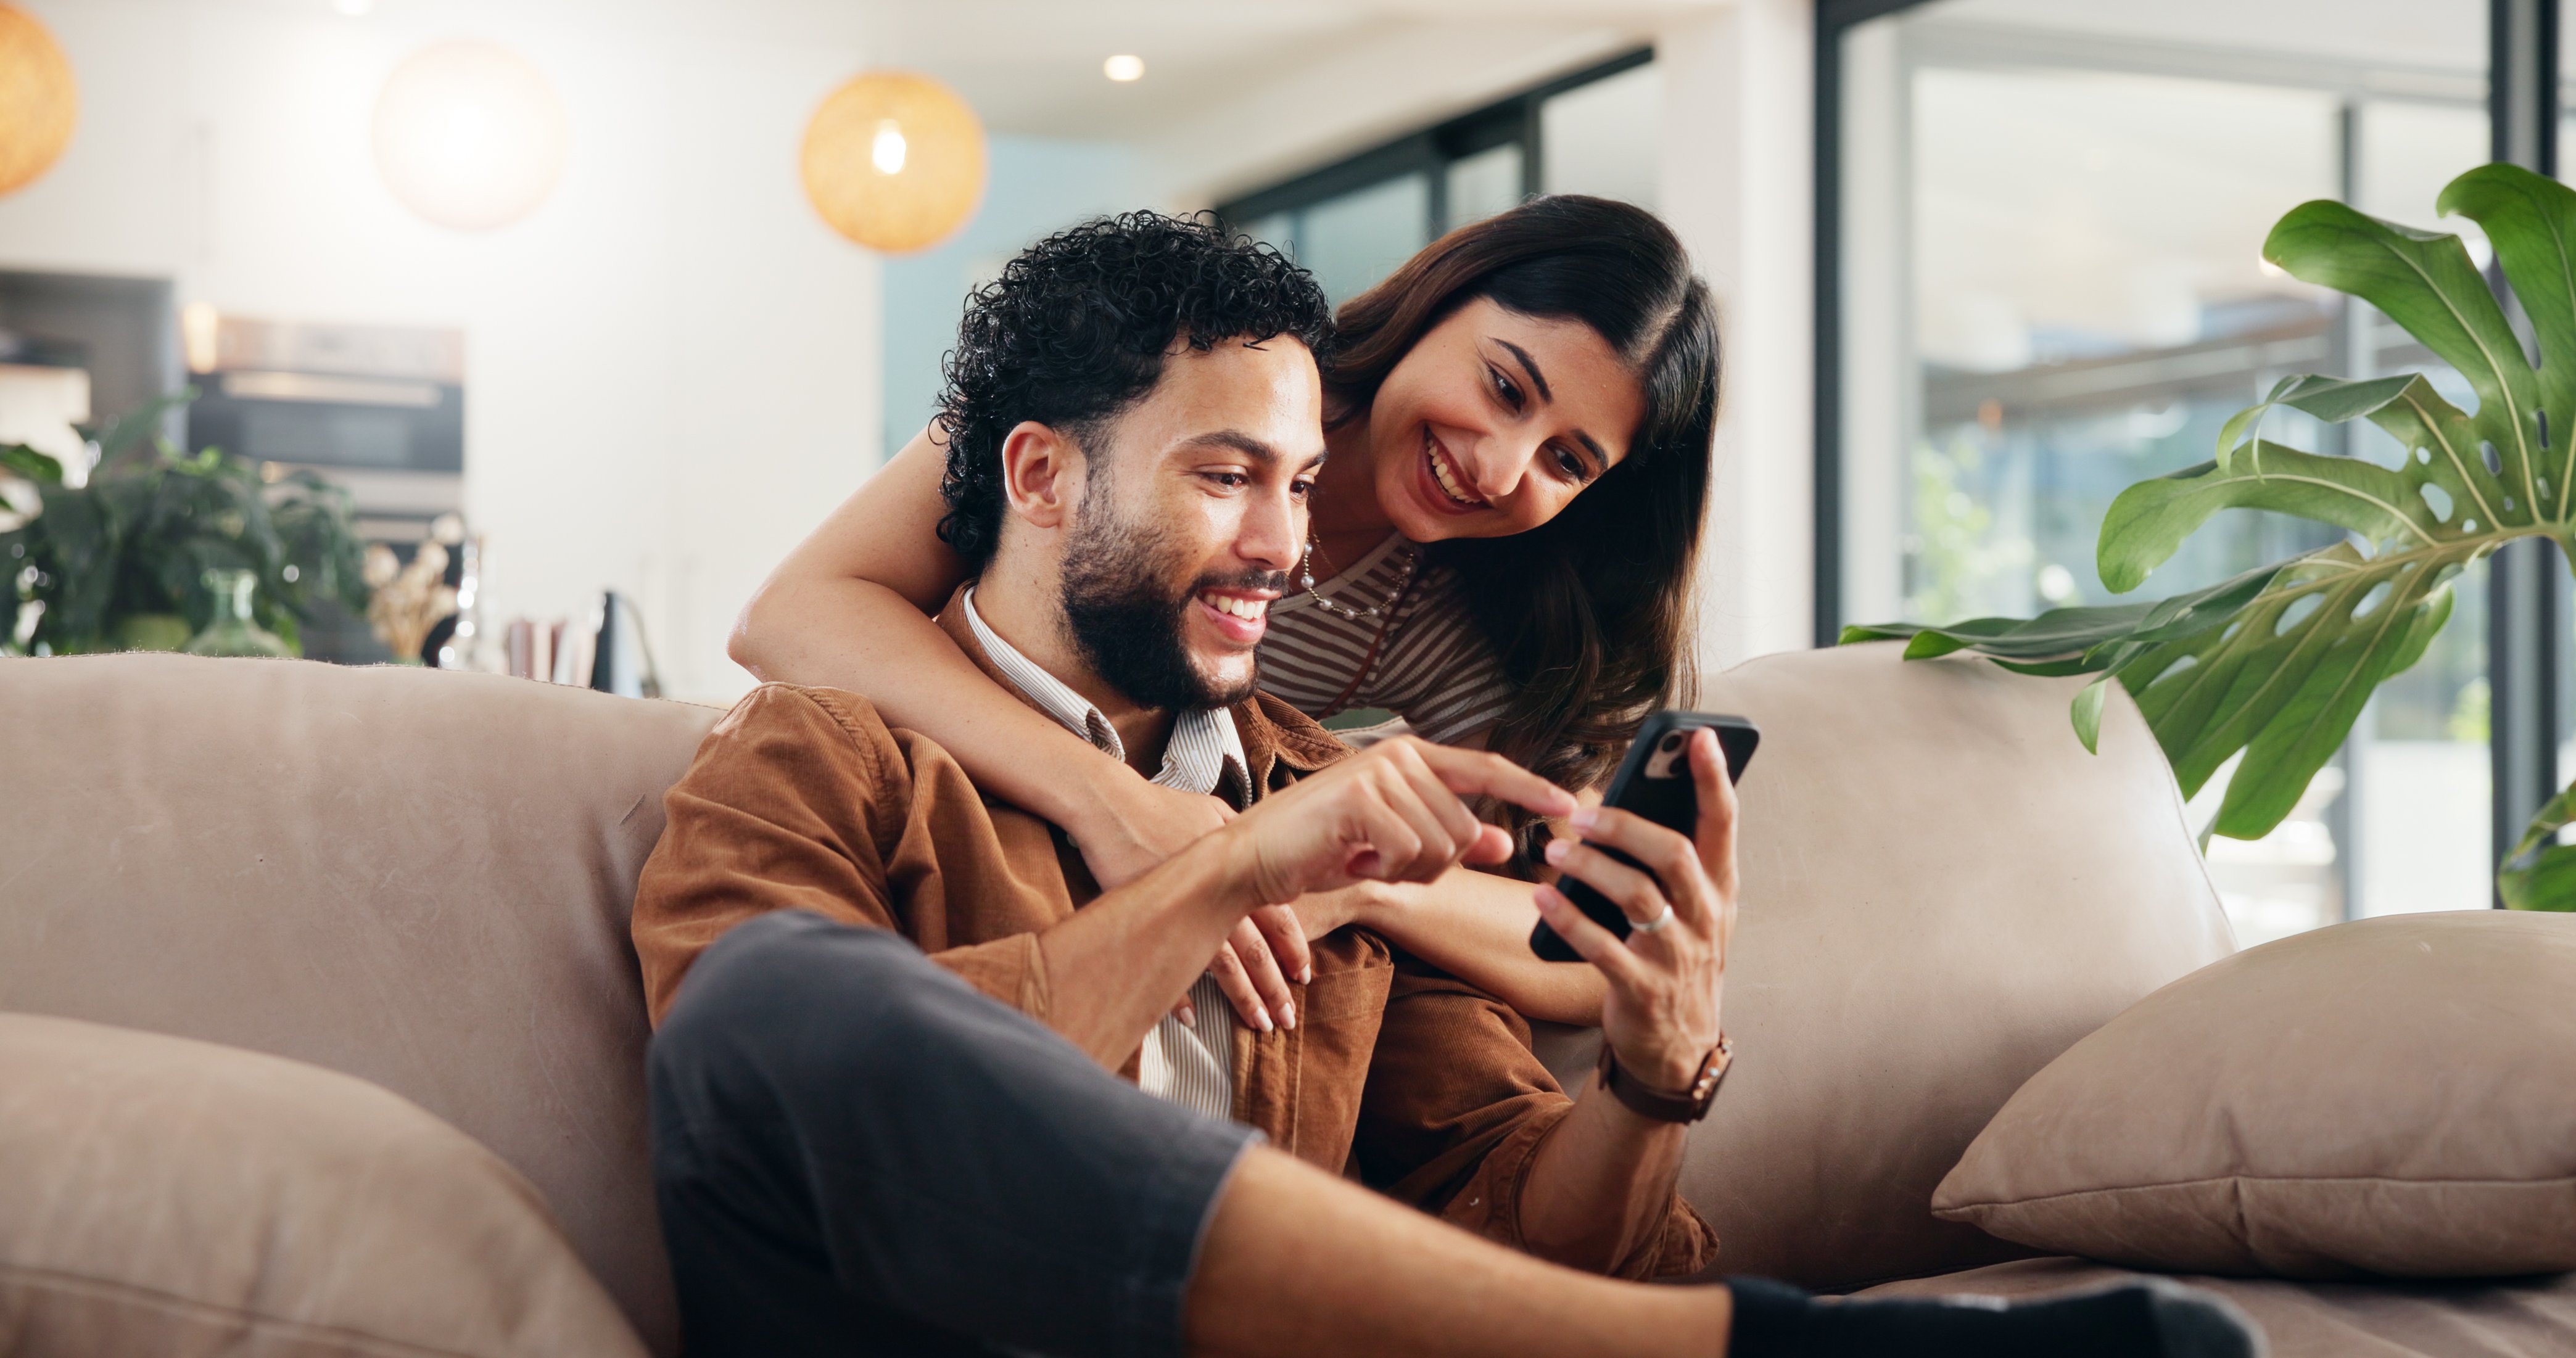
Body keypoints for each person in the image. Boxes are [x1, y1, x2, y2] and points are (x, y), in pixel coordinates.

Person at [634, 213, 2260, 1358]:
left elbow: (1509, 1212)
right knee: (767, 1000)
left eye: (1296, 488)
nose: (1286, 544)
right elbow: (761, 1114)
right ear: (1047, 476)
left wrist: (1652, 1065)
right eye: (1227, 479)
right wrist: (1206, 864)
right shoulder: (831, 751)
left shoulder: (1349, 787)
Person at [729, 195, 1719, 1035]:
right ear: (1440, 301)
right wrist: (1113, 803)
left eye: (1567, 461)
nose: (1500, 467)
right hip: (983, 838)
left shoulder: (1511, 621)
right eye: (1505, 387)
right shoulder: (1178, 362)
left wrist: (1343, 875)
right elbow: (792, 613)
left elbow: (1584, 951)